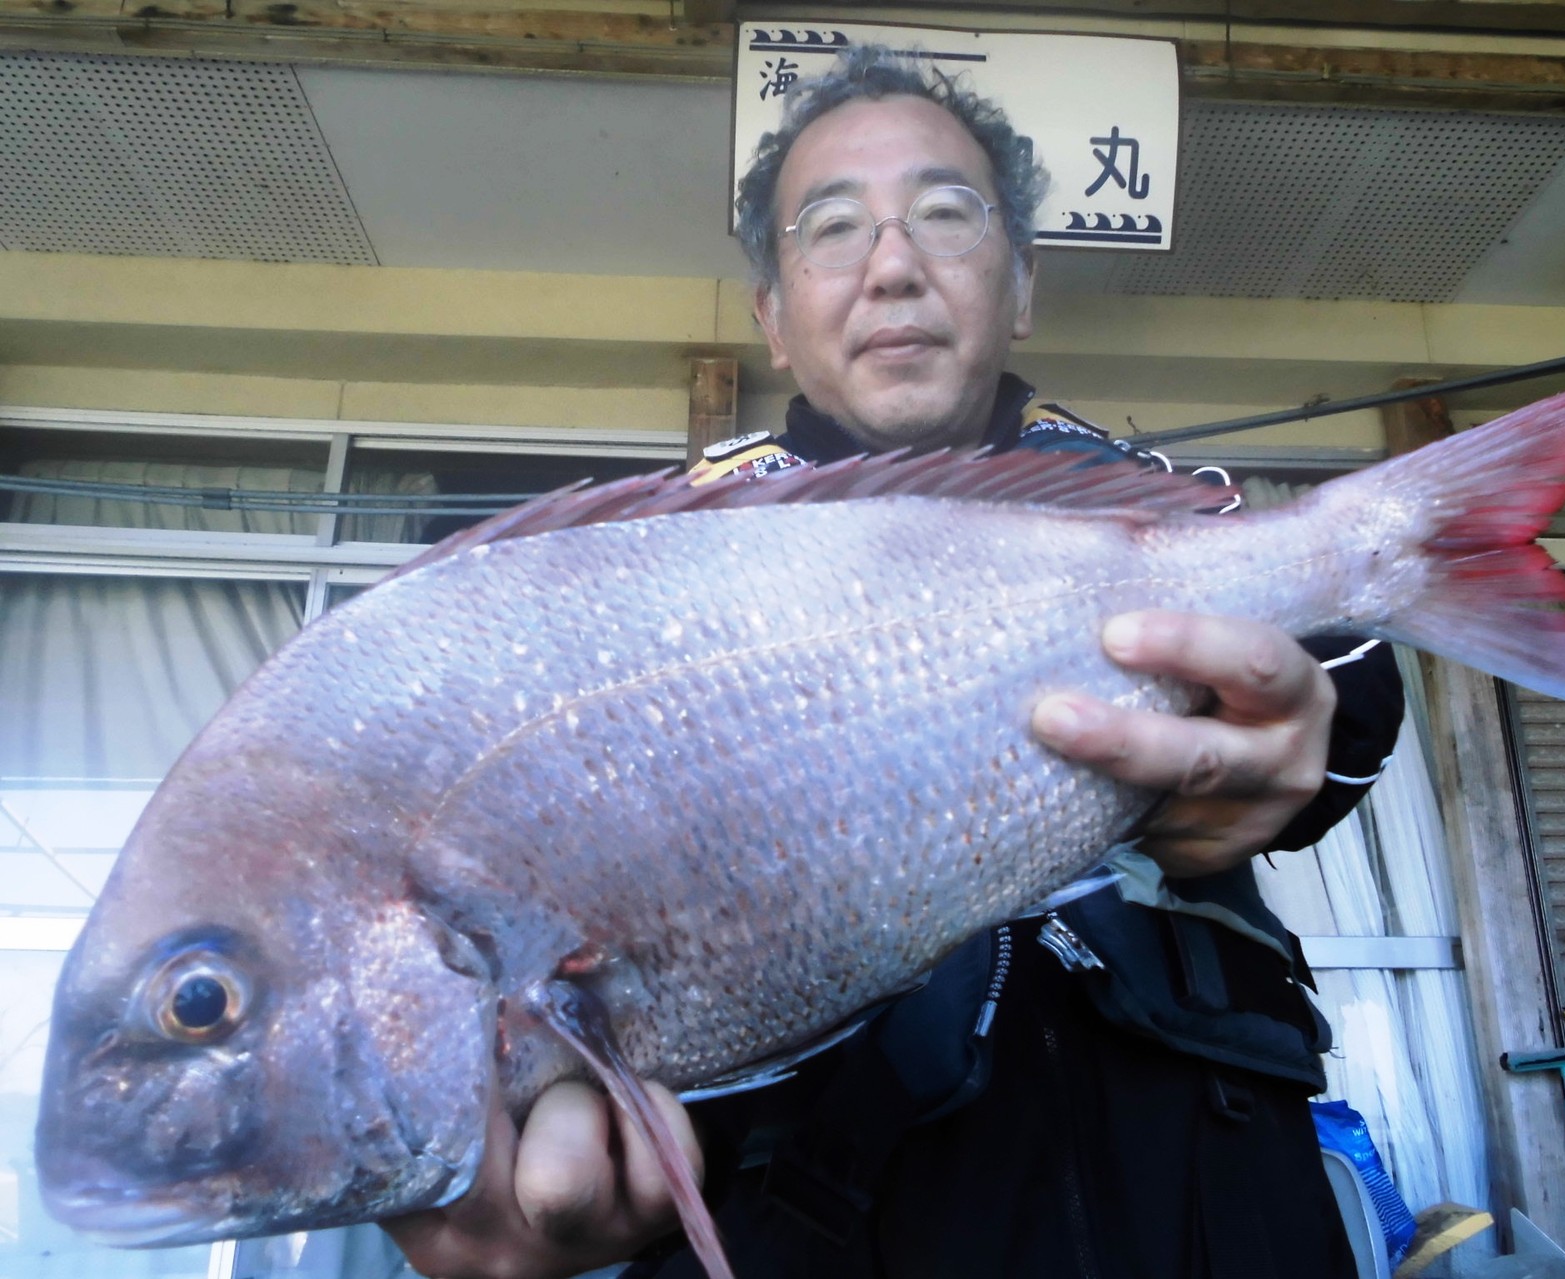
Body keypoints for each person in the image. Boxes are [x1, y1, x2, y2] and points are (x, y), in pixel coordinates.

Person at [387, 45, 1405, 1279]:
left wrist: (1296, 735)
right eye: (831, 227)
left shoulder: (1151, 508)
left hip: (1208, 1205)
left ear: (1019, 286)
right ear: (772, 315)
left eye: (943, 213)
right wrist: (470, 1132)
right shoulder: (662, 557)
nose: (890, 265)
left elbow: (1352, 663)